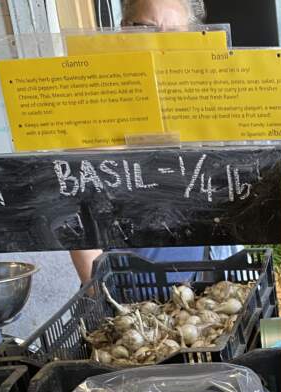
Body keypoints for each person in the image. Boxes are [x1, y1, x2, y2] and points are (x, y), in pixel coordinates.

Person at [69, 0, 241, 282]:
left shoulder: (202, 99)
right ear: (125, 28)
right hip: (125, 284)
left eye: (174, 32)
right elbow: (76, 204)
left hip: (195, 280)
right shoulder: (97, 100)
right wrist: (97, 291)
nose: (160, 42)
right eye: (147, 28)